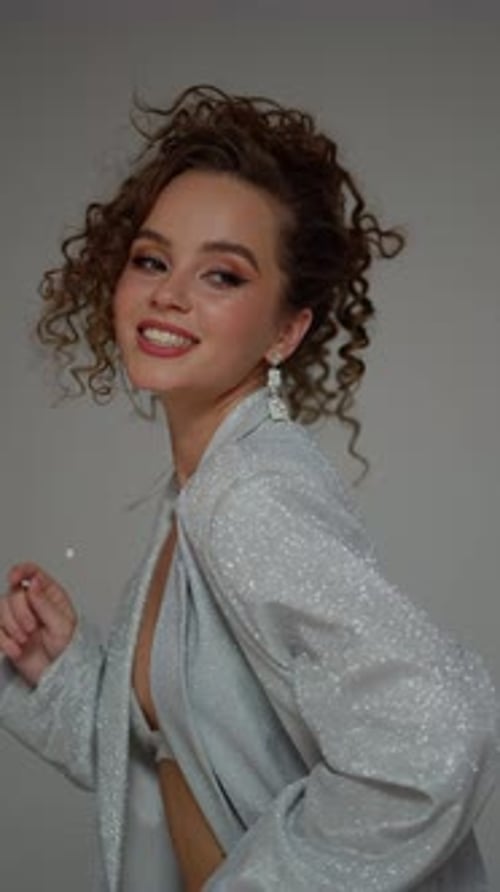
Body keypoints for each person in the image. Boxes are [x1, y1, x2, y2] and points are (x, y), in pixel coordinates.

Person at [0, 83, 498, 892]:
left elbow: (438, 734)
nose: (168, 294)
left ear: (285, 330)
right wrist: (62, 671)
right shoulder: (198, 495)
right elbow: (197, 759)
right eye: (152, 260)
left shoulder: (251, 496)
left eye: (222, 276)